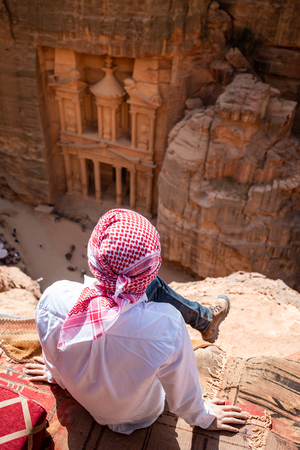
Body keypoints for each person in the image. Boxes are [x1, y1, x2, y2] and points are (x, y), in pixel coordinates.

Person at [25, 209, 247, 434]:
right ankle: (205, 320)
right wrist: (204, 416)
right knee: (156, 287)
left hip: (84, 400)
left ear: (93, 254)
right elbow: (182, 393)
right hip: (139, 415)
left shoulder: (53, 299)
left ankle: (204, 319)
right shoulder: (168, 326)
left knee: (150, 289)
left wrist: (55, 373)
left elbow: (53, 350)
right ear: (152, 268)